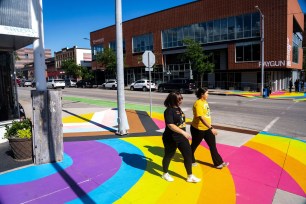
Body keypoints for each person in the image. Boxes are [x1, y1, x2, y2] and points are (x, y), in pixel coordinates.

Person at [161, 92, 201, 183]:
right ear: (173, 100)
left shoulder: (178, 108)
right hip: (170, 138)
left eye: (181, 98)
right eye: (179, 99)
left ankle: (190, 176)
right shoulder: (168, 111)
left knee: (188, 155)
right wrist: (183, 132)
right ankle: (165, 173)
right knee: (169, 155)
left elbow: (180, 122)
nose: (181, 100)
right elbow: (170, 125)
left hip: (181, 137)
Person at [190, 87, 229, 169]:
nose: (208, 94)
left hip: (207, 128)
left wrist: (209, 127)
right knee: (194, 145)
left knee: (212, 146)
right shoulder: (198, 104)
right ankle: (189, 159)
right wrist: (211, 128)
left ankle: (218, 163)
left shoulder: (204, 102)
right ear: (202, 94)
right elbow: (201, 117)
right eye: (207, 93)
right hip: (198, 129)